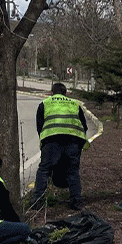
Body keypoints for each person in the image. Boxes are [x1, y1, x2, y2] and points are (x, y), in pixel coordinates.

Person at [27, 83, 89, 213]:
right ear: (65, 93)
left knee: (44, 170)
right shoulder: (75, 104)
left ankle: (37, 202)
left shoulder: (45, 103)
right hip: (73, 140)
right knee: (72, 171)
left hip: (52, 140)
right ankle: (76, 202)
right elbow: (84, 125)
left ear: (52, 92)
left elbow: (40, 126)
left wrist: (45, 142)